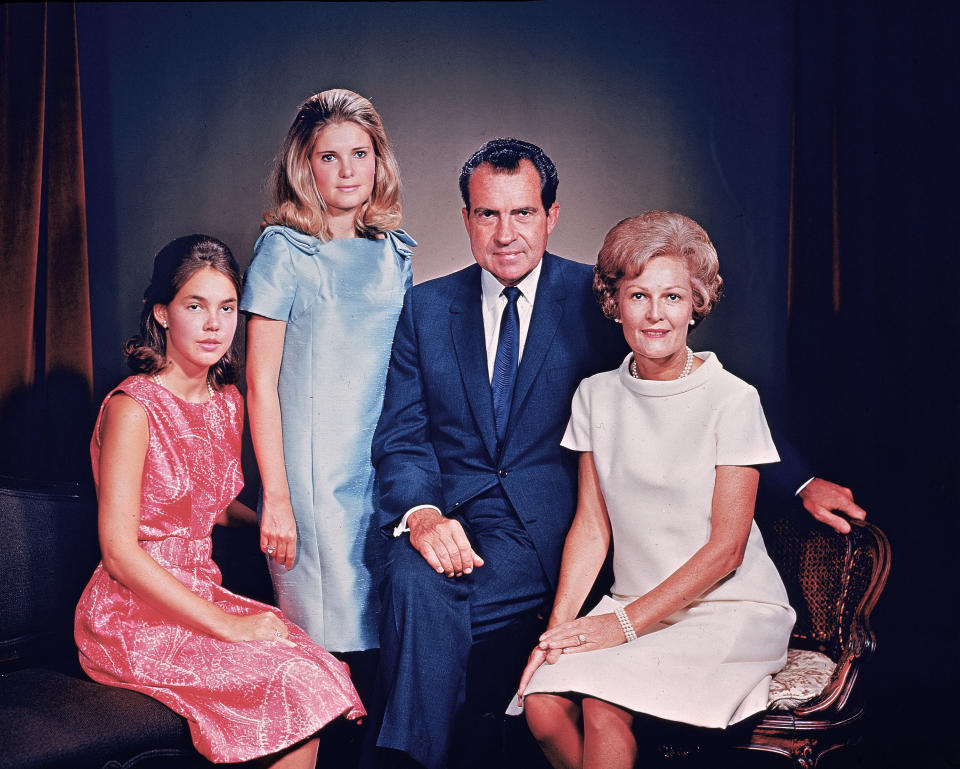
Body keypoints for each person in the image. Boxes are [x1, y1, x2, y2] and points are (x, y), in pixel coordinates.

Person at [368, 138, 863, 769]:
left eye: (522, 213)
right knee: (412, 580)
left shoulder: (600, 291)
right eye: (487, 215)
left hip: (553, 528)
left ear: (551, 215)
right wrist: (424, 516)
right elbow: (403, 435)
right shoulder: (426, 307)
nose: (505, 234)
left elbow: (690, 390)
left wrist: (798, 481)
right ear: (465, 218)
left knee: (423, 619)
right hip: (464, 523)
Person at [516, 212, 796, 769]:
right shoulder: (595, 395)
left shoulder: (732, 399)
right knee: (542, 707)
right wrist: (556, 632)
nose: (655, 314)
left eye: (672, 297)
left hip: (727, 609)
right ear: (614, 303)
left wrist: (621, 626)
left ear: (697, 304)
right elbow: (592, 528)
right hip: (631, 603)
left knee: (601, 704)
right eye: (638, 295)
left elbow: (727, 550)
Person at [74, 235, 364, 767]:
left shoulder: (226, 401)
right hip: (131, 614)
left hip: (200, 589)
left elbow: (209, 503)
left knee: (312, 667)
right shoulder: (132, 409)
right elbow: (118, 552)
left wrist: (277, 522)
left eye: (227, 307)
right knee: (291, 680)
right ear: (161, 313)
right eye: (195, 305)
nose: (214, 325)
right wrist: (226, 625)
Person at [241, 89, 416, 663]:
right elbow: (259, 383)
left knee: (386, 645)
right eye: (329, 156)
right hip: (311, 481)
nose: (347, 171)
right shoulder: (285, 250)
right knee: (324, 648)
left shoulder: (395, 252)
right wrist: (277, 497)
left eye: (359, 154)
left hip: (384, 470)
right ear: (304, 165)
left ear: (378, 160)